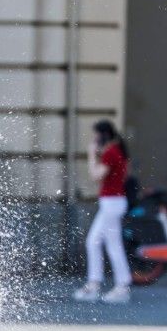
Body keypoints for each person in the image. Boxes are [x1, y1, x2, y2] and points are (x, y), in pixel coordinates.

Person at [72, 120, 132, 304]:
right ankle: (95, 284)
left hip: (111, 203)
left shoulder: (111, 152)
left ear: (102, 135)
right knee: (95, 241)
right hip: (114, 202)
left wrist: (91, 155)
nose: (94, 138)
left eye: (95, 135)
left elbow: (96, 175)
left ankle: (120, 286)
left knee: (111, 244)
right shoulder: (118, 151)